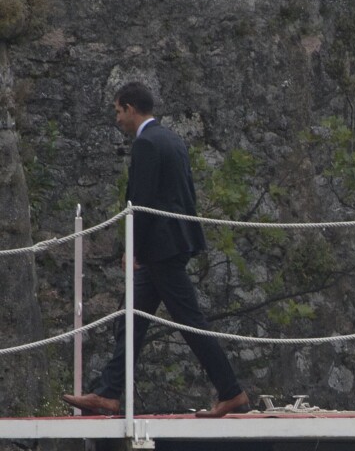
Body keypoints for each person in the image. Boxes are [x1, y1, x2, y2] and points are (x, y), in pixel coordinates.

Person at [63, 82, 249, 417]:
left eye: (119, 111)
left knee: (190, 322)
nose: (117, 119)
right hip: (170, 245)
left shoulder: (147, 143)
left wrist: (130, 248)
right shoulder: (172, 139)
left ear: (131, 108)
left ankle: (231, 392)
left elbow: (143, 201)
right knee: (130, 320)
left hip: (159, 250)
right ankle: (108, 394)